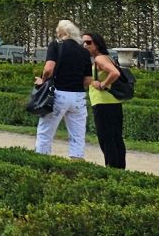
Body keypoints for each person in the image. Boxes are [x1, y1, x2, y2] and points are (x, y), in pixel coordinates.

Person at [36, 19, 92, 159]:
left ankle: (41, 164)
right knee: (78, 137)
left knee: (45, 133)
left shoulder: (56, 45)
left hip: (58, 94)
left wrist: (42, 81)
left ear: (62, 33)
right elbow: (88, 80)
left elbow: (49, 68)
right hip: (78, 96)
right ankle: (76, 165)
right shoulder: (84, 51)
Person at [84, 30, 126, 169]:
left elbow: (115, 73)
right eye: (83, 42)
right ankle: (119, 168)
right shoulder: (107, 57)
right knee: (116, 138)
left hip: (102, 103)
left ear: (97, 43)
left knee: (106, 138)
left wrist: (102, 84)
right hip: (114, 101)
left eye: (89, 42)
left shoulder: (99, 59)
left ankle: (112, 168)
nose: (85, 45)